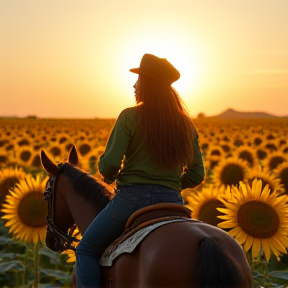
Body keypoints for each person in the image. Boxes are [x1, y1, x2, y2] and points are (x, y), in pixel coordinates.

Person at [75, 53, 205, 288]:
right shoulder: (186, 124)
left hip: (131, 200)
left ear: (148, 84)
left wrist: (108, 174)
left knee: (86, 250)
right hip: (172, 201)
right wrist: (172, 182)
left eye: (139, 79)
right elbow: (197, 175)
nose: (134, 85)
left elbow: (110, 164)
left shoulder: (129, 117)